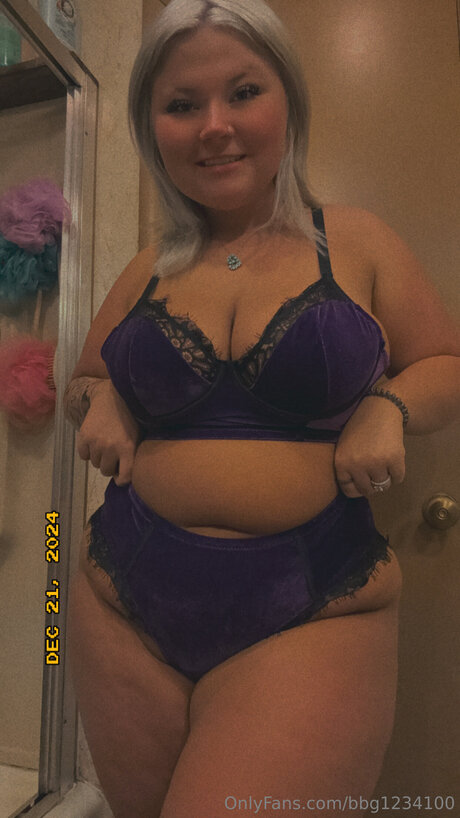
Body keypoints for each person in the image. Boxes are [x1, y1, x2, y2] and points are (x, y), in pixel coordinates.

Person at [64, 1, 460, 816]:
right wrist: (99, 398)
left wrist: (388, 404)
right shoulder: (149, 265)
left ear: (289, 101)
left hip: (314, 607)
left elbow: (447, 365)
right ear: (153, 128)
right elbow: (82, 379)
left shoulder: (357, 240)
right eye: (182, 104)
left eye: (243, 92)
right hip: (119, 598)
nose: (215, 126)